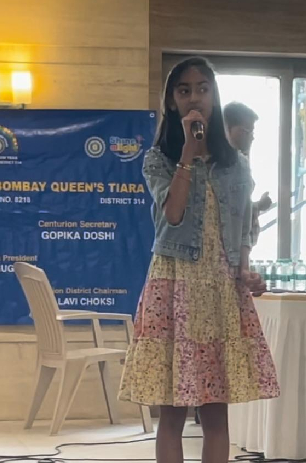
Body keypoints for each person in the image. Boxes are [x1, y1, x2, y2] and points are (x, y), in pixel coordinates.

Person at [119, 57, 279, 463]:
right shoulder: (158, 160)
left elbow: (242, 230)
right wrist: (187, 154)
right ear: (172, 101)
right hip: (173, 286)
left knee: (215, 414)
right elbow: (172, 215)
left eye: (203, 89)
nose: (195, 97)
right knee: (172, 413)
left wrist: (246, 271)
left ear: (214, 96)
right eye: (184, 90)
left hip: (218, 292)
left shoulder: (236, 165)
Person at [223, 101, 273, 246]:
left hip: (240, 249)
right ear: (227, 129)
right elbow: (228, 213)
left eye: (252, 132)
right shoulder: (221, 167)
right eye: (246, 131)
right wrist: (258, 206)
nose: (251, 137)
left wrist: (257, 206)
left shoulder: (241, 163)